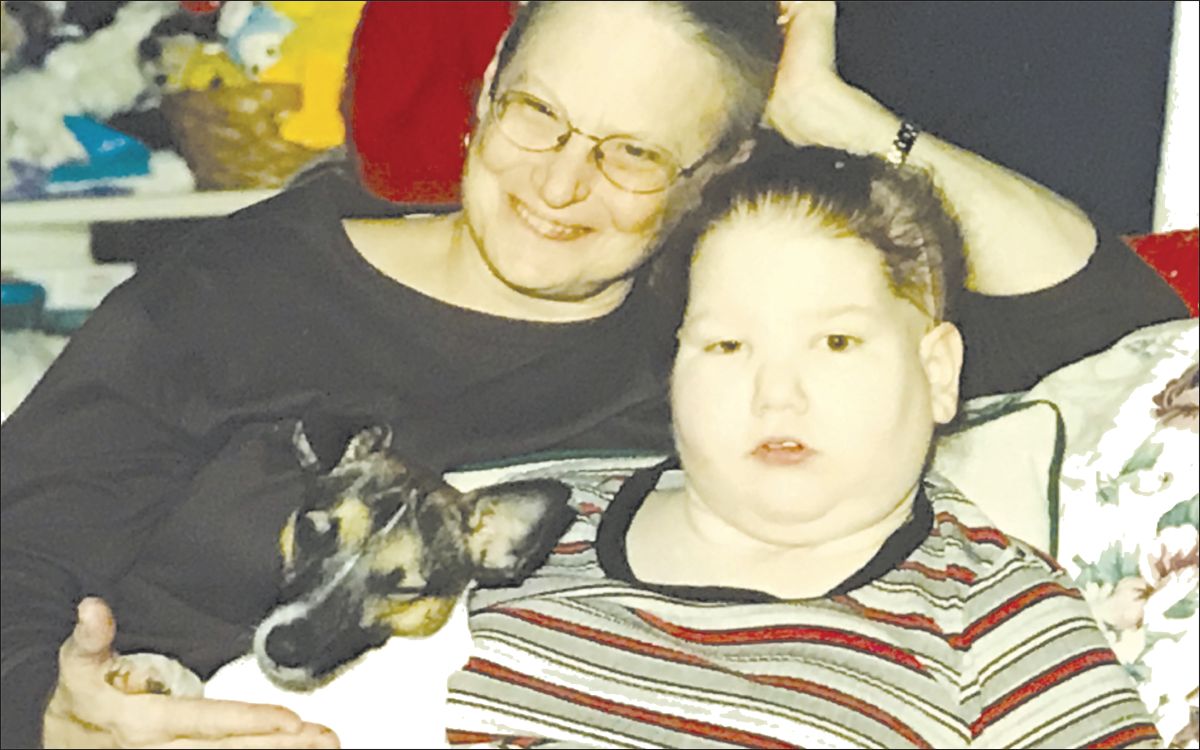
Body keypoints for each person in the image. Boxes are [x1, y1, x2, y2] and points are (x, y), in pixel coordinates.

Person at [0, 2, 1185, 748]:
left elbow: (1122, 325)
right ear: (483, 98)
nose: (560, 185)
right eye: (538, 117)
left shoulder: (712, 345)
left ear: (715, 171)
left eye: (632, 154)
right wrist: (52, 718)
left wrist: (837, 114)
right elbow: (18, 551)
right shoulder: (247, 284)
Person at [442, 136, 1163, 748]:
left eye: (837, 341)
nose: (776, 394)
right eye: (727, 345)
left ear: (937, 371)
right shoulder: (526, 523)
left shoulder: (998, 620)